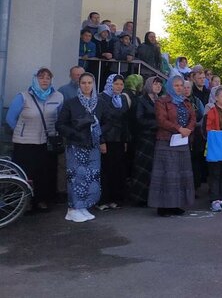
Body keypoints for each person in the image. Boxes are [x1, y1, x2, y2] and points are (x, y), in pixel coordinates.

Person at [5, 68, 64, 212]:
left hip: (46, 143)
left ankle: (41, 200)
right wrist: (22, 131)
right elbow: (10, 118)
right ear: (35, 79)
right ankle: (25, 203)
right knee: (26, 173)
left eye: (48, 78)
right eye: (41, 77)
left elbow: (59, 117)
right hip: (25, 144)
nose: (44, 80)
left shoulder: (58, 97)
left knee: (44, 173)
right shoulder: (23, 97)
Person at [56, 73, 110, 222]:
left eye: (89, 83)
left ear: (94, 84)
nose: (86, 86)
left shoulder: (100, 102)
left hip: (93, 146)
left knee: (91, 177)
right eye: (83, 83)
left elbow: (108, 121)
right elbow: (60, 124)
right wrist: (75, 134)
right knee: (76, 177)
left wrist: (98, 130)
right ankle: (72, 208)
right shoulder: (71, 103)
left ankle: (83, 206)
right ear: (79, 85)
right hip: (76, 145)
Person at [148, 76, 196, 217]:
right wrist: (179, 128)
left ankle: (175, 204)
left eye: (181, 85)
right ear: (170, 86)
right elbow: (161, 120)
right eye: (176, 85)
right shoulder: (161, 101)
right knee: (166, 174)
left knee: (180, 174)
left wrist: (188, 129)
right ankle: (162, 207)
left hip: (182, 141)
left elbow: (193, 117)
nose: (179, 88)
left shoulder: (186, 102)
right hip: (166, 141)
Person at [94, 74, 131, 211]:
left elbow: (125, 121)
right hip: (106, 139)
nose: (119, 87)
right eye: (116, 84)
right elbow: (98, 121)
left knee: (117, 170)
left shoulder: (122, 99)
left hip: (119, 140)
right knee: (105, 170)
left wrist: (126, 139)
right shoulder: (101, 98)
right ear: (110, 84)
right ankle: (102, 200)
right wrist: (101, 140)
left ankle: (116, 199)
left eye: (121, 84)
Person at [128, 76, 162, 206]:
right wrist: (157, 124)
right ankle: (139, 197)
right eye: (155, 84)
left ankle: (151, 196)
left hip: (157, 137)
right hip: (145, 137)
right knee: (143, 167)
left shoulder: (160, 100)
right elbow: (139, 119)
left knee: (154, 168)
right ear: (148, 85)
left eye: (159, 84)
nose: (158, 86)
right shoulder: (141, 100)